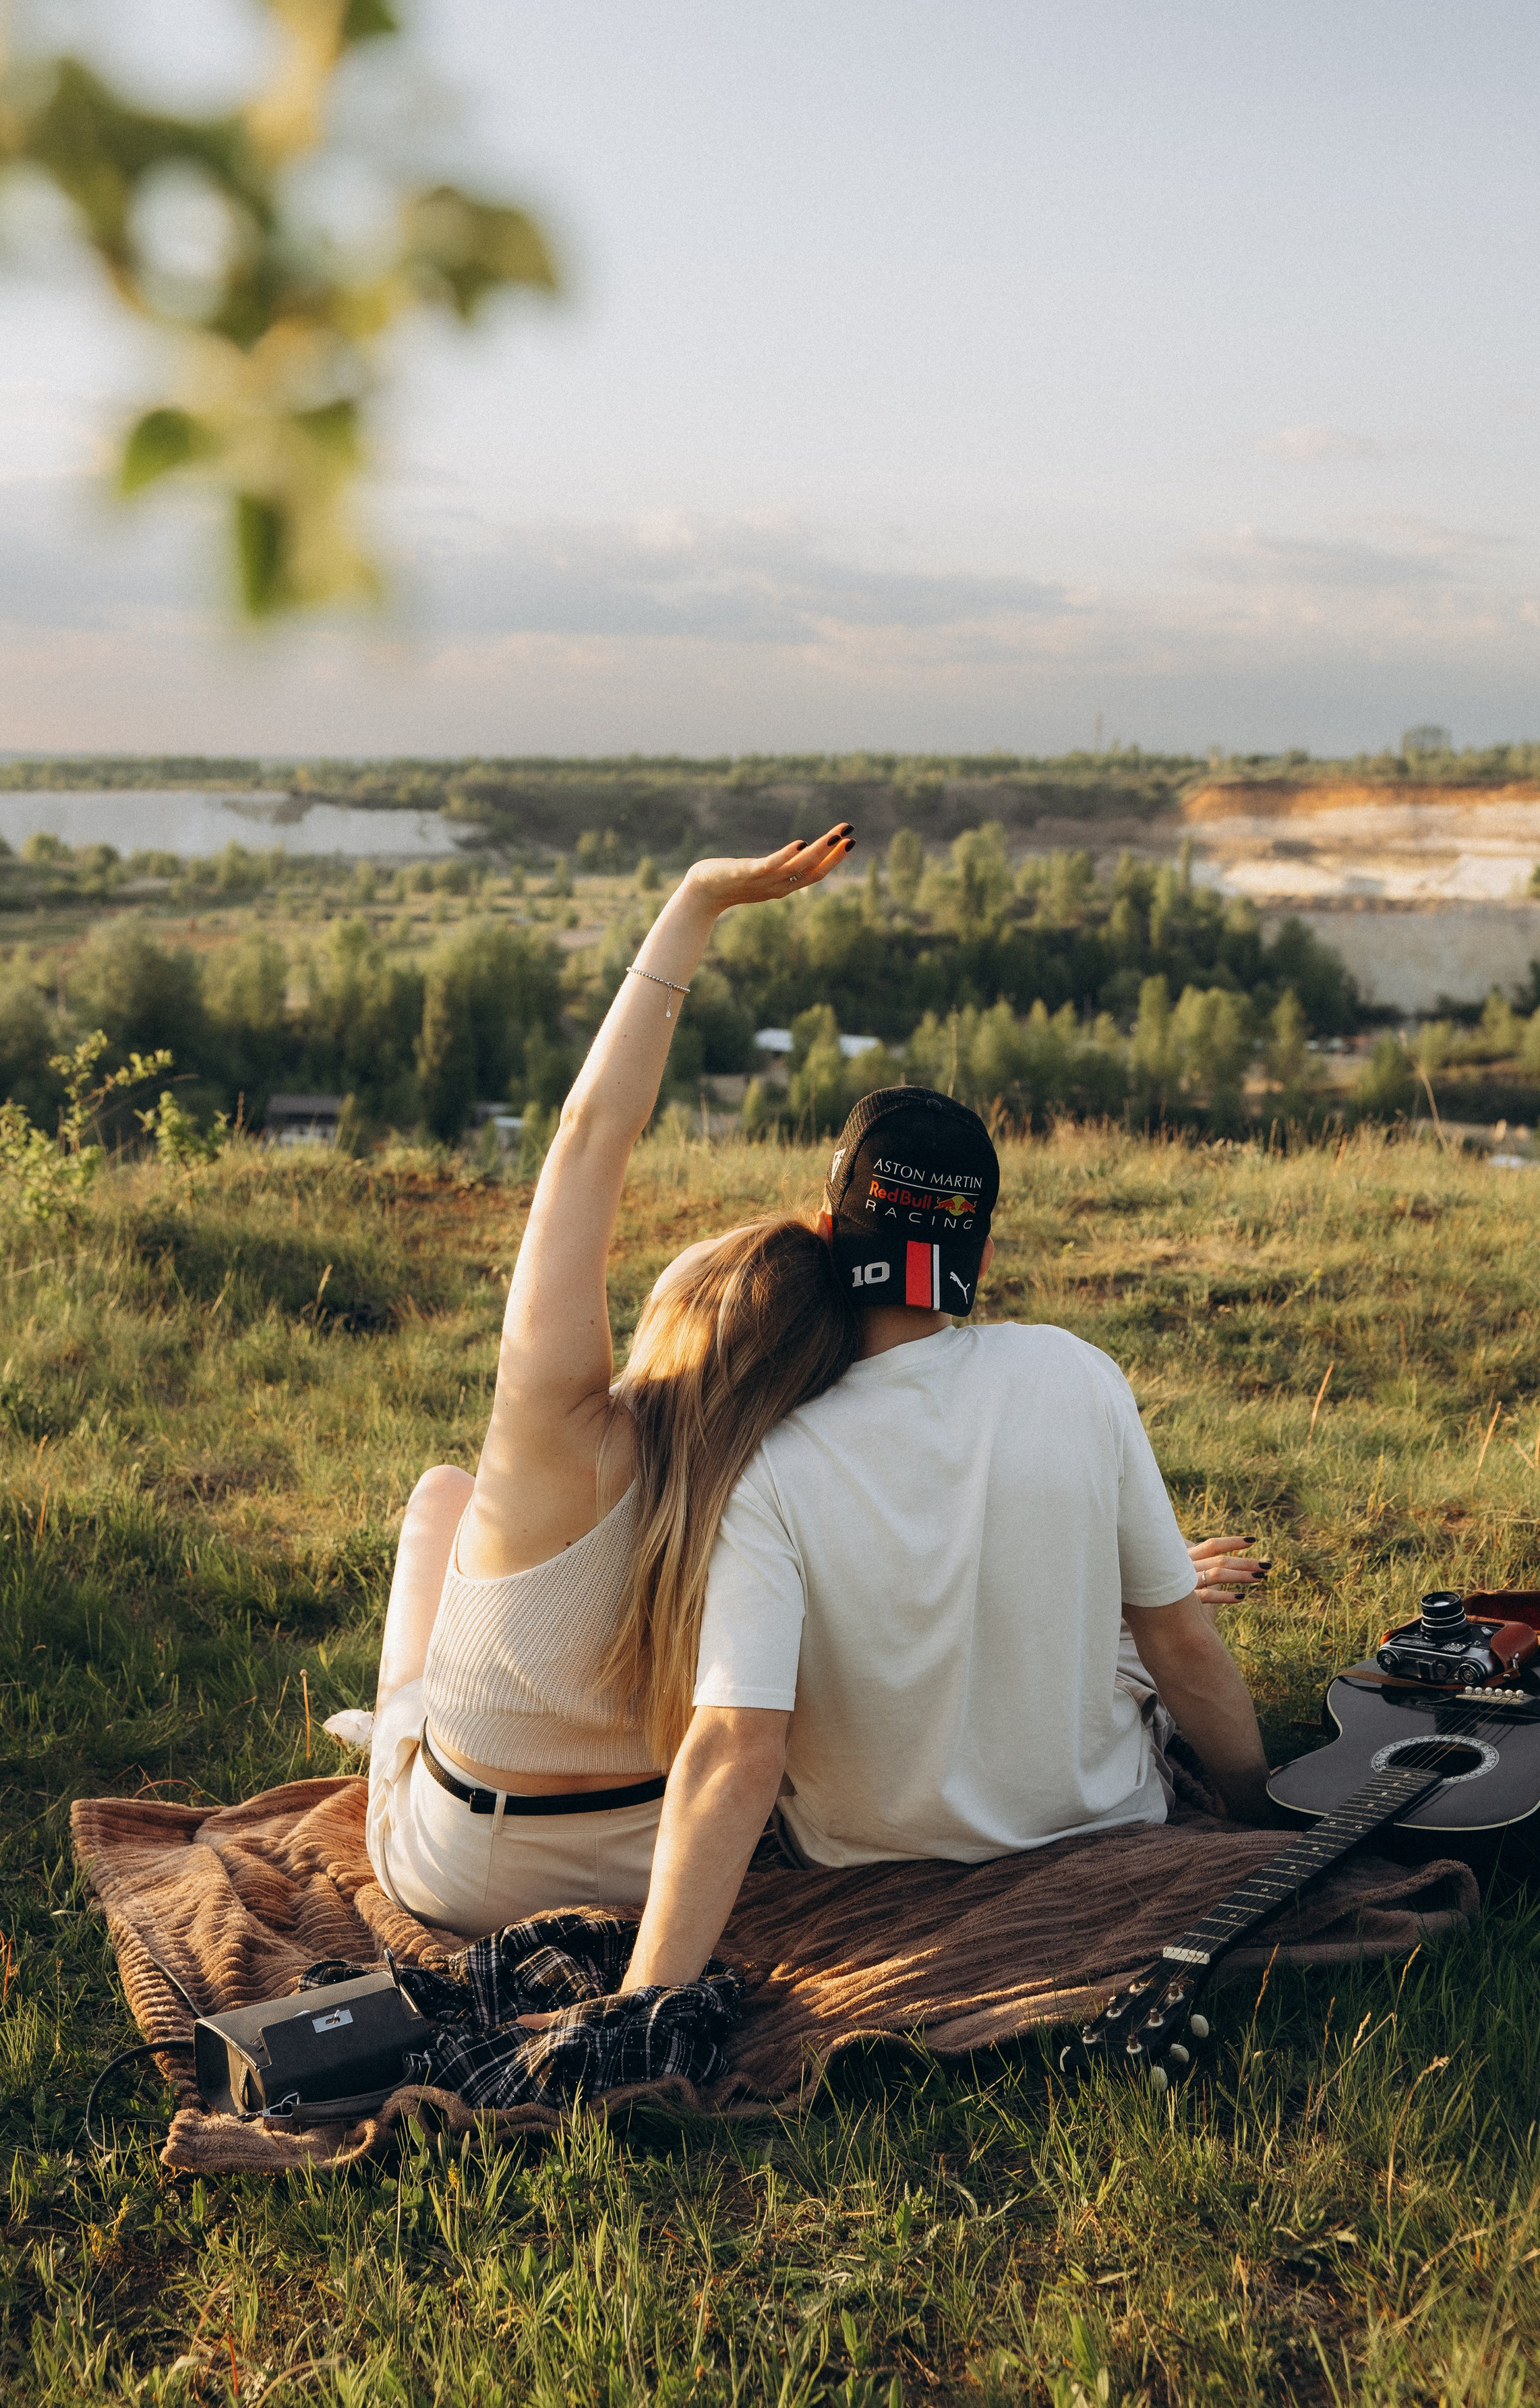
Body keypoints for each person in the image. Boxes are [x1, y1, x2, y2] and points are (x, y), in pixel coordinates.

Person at [621, 1084, 1274, 1991]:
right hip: (1108, 1830)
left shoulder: (763, 1458)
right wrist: (1259, 1818)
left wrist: (644, 1998)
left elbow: (737, 1746)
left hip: (861, 1874)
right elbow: (1182, 1645)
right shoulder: (1075, 1374)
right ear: (985, 1256)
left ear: (825, 1234)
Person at [347, 824, 862, 1938]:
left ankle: (393, 1728)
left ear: (686, 1307)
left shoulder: (561, 1441)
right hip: (668, 1866)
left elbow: (590, 1137)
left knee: (442, 1495)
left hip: (460, 1870)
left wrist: (695, 904)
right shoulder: (799, 1477)